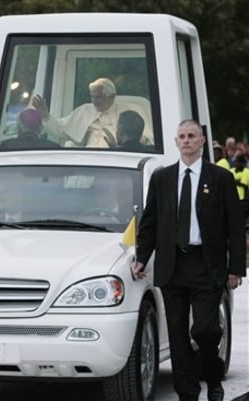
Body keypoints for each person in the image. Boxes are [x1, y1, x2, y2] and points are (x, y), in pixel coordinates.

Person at [132, 120, 245, 401]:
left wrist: (236, 268)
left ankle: (213, 375)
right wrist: (141, 259)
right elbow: (149, 223)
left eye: (191, 136)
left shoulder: (220, 178)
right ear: (176, 142)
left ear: (202, 141)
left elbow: (234, 225)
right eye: (181, 136)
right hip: (173, 266)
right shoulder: (162, 179)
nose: (186, 141)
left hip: (207, 265)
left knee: (205, 330)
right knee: (179, 335)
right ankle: (188, 394)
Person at [32, 77, 152, 148]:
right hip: (87, 162)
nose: (94, 101)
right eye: (92, 97)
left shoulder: (130, 110)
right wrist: (45, 116)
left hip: (116, 161)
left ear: (112, 96)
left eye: (99, 97)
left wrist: (119, 148)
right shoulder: (85, 110)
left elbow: (144, 137)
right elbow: (61, 129)